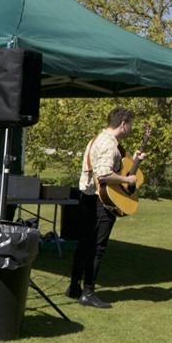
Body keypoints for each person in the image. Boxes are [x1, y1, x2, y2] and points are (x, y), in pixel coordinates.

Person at [66, 105, 146, 308]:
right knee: (97, 248)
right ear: (123, 124)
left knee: (84, 245)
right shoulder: (109, 145)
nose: (131, 128)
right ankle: (88, 292)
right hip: (99, 202)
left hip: (87, 198)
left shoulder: (99, 139)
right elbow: (104, 175)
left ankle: (74, 287)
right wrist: (126, 180)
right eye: (131, 124)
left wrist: (135, 160)